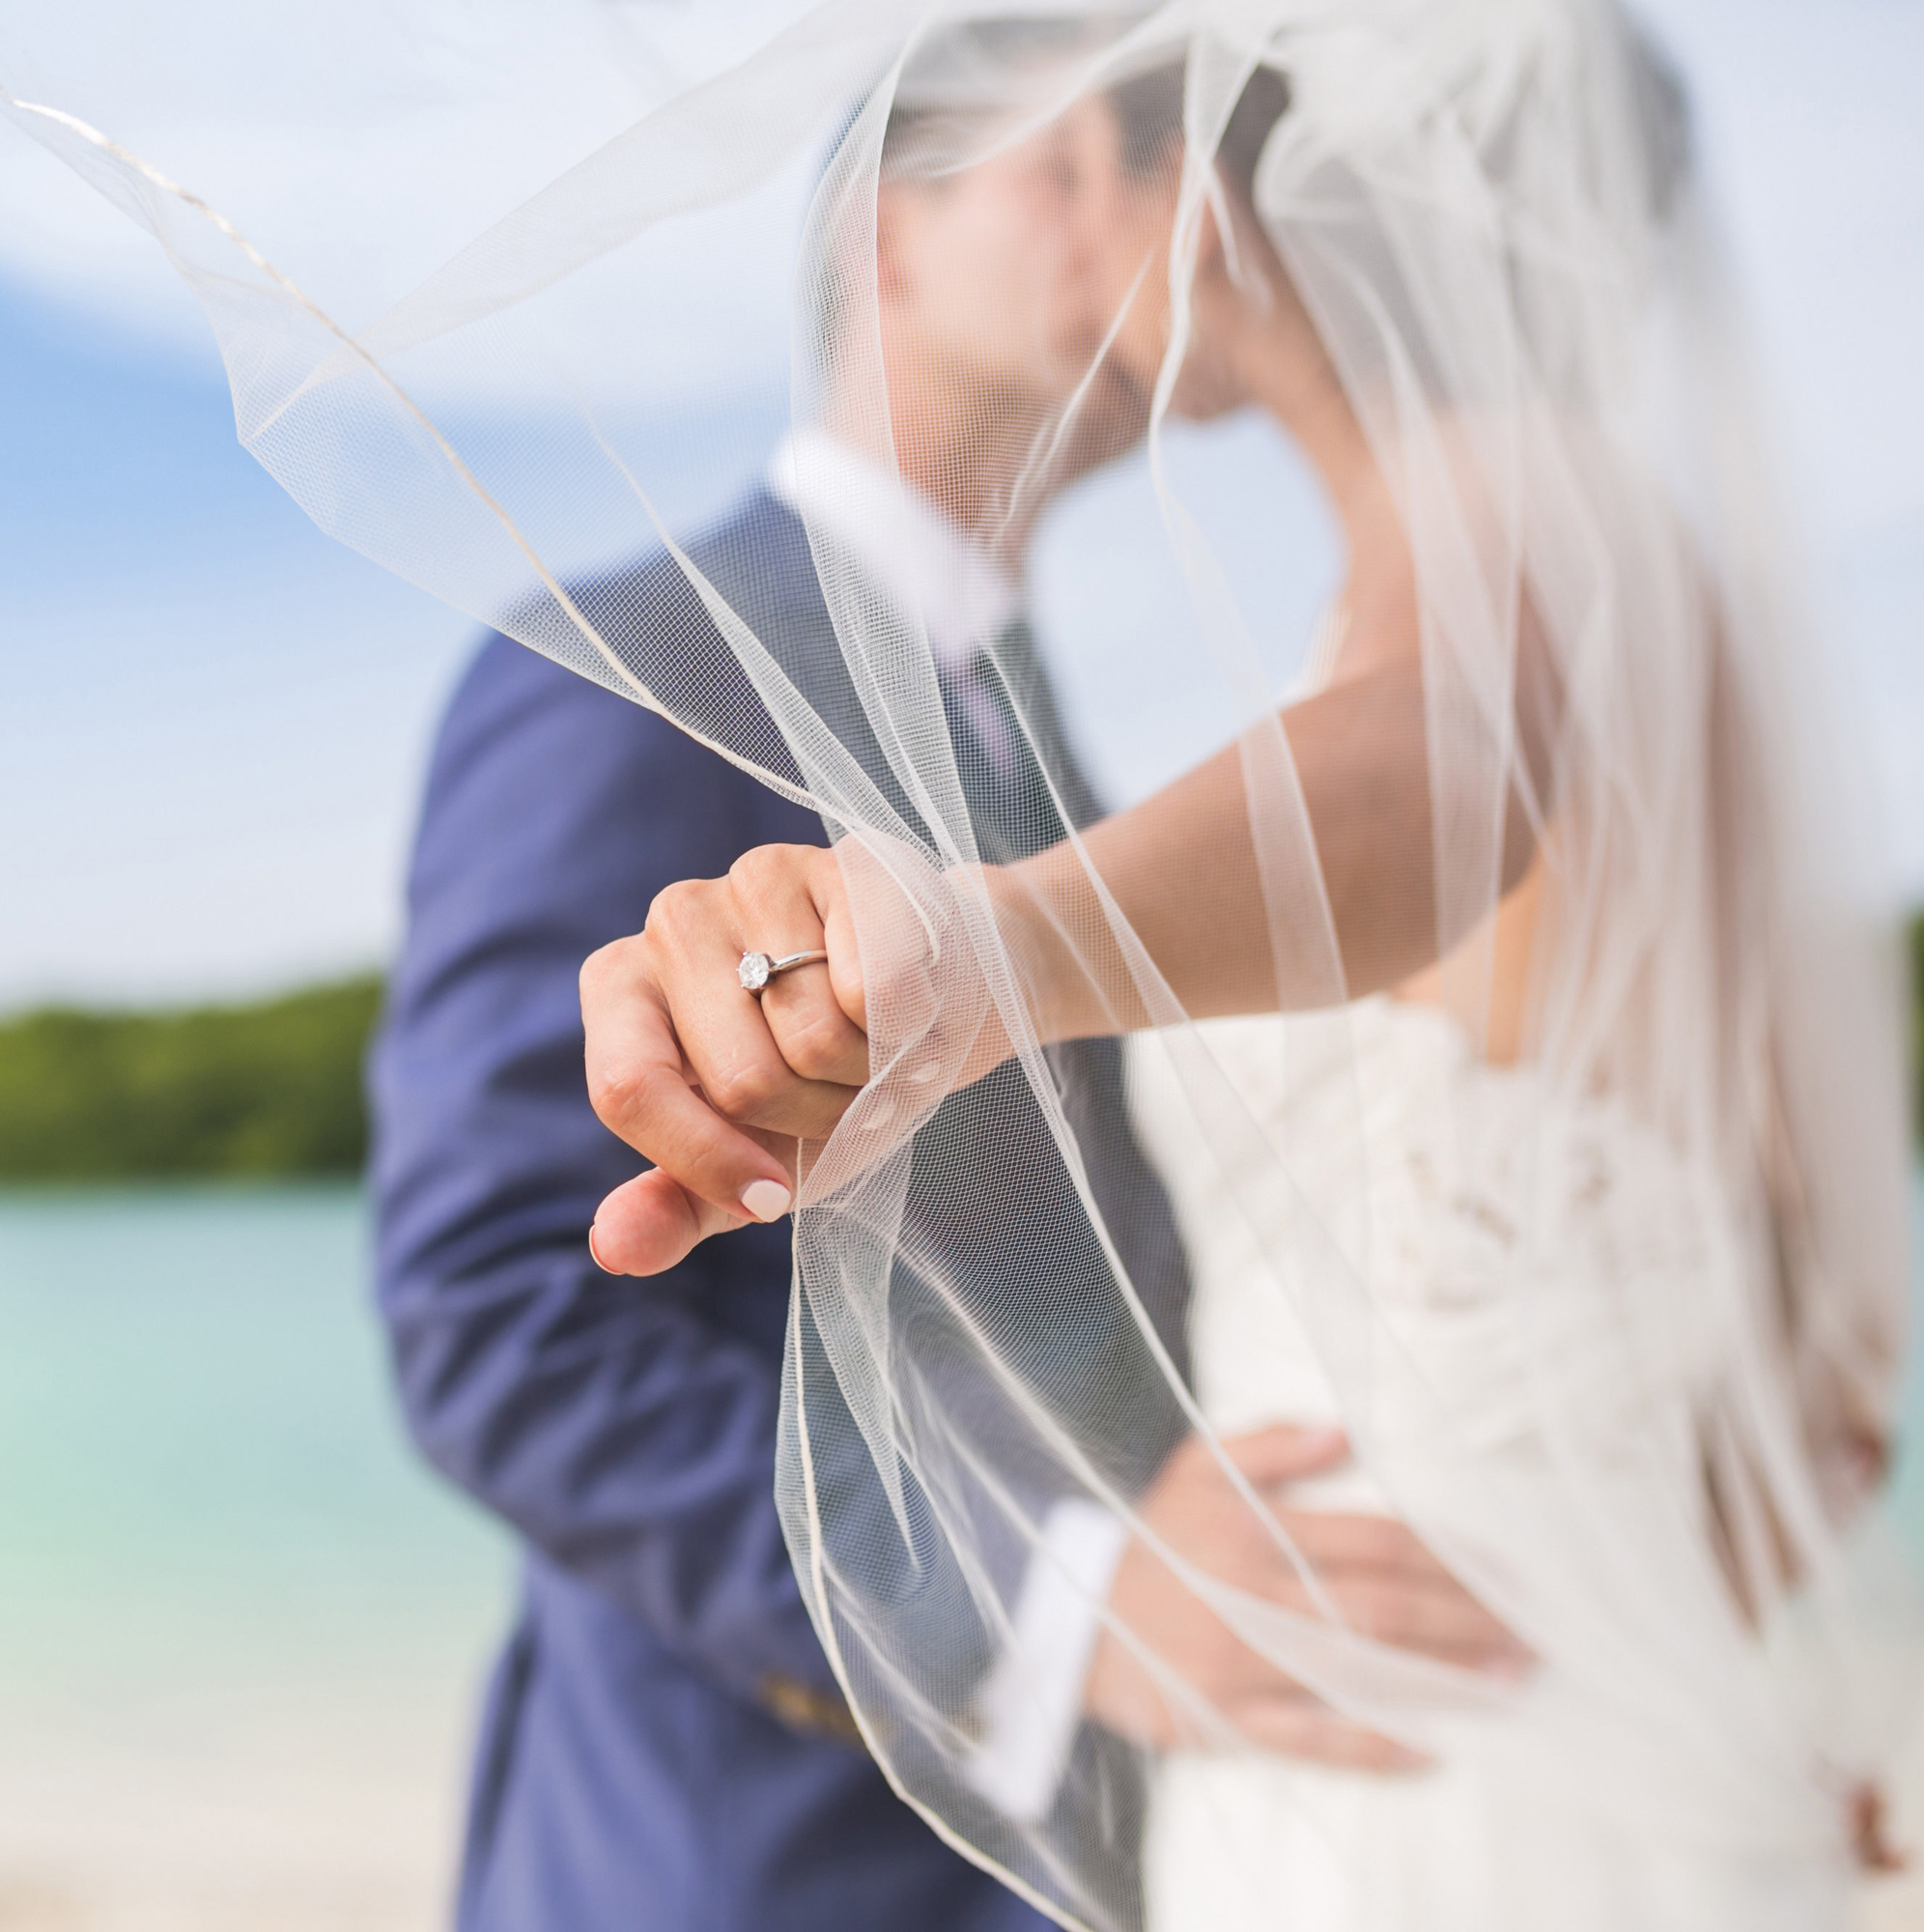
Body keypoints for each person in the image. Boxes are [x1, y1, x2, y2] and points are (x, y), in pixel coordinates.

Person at [573, 12, 1912, 1931]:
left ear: (1219, 190)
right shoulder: (1557, 563)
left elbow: (1438, 780)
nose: (1083, 199)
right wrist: (1649, 1654)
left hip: (1418, 1783)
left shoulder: (1517, 512)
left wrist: (989, 940)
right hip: (1527, 1723)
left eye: (1112, 139)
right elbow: (1827, 1373)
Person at [370, 43, 1514, 1932]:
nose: (1134, 209)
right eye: (1064, 166)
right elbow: (496, 1310)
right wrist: (1053, 1597)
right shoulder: (624, 660)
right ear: (887, 238)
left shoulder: (1052, 737)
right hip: (746, 1854)